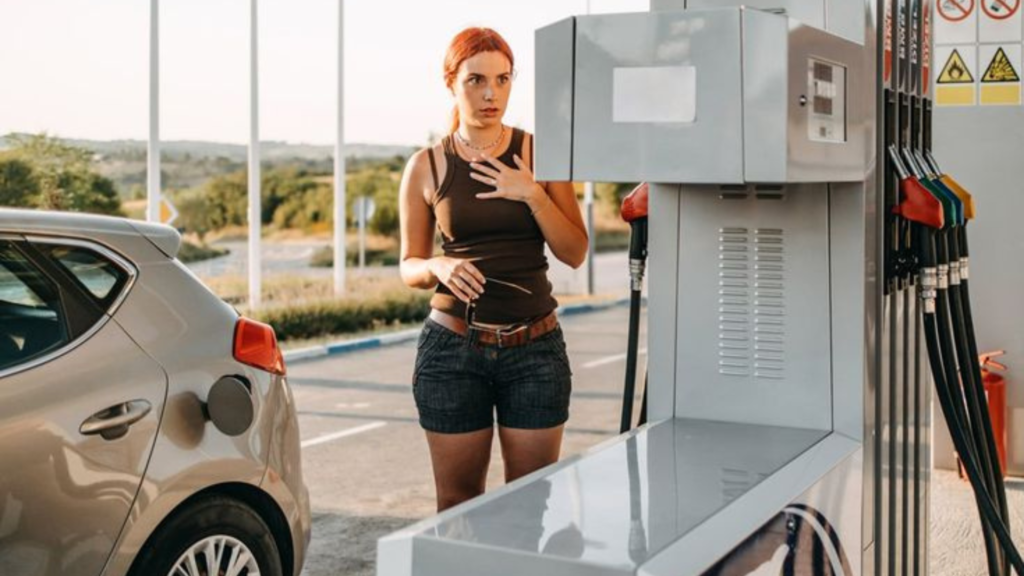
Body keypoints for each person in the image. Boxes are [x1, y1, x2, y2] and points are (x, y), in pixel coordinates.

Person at [398, 26, 588, 512]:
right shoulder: (427, 166)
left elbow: (575, 251)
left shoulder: (538, 153)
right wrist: (437, 265)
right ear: (451, 83)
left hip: (535, 351)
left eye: (503, 80)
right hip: (452, 351)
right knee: (458, 509)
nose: (491, 94)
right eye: (476, 80)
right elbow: (409, 266)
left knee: (529, 506)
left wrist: (532, 194)